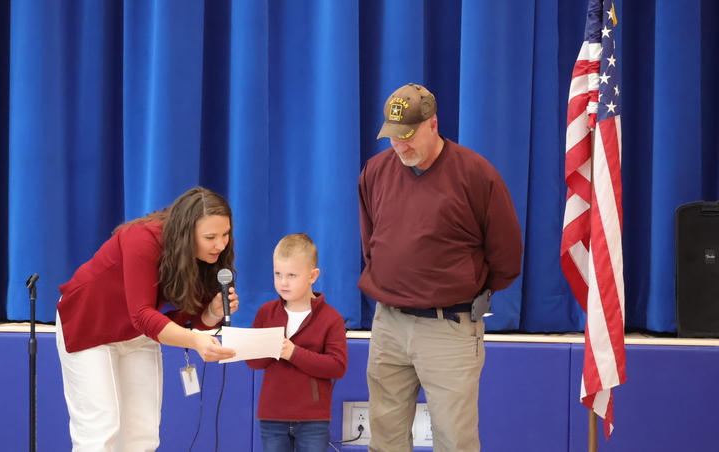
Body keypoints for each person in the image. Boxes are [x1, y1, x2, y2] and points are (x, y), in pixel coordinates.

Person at [358, 83, 523, 452]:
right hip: (389, 325)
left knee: (454, 441)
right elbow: (372, 242)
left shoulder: (477, 175)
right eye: (392, 137)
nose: (399, 146)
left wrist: (464, 288)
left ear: (433, 124)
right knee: (384, 439)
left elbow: (507, 259)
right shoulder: (376, 171)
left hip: (449, 326)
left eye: (407, 136)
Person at [55, 186, 239, 451]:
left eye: (225, 234)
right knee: (99, 430)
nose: (221, 245)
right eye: (210, 237)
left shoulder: (205, 256)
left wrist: (212, 312)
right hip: (90, 323)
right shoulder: (141, 238)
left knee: (143, 434)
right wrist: (197, 342)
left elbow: (191, 319)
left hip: (137, 333)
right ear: (186, 233)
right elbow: (142, 314)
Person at [246, 233, 348, 452]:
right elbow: (254, 363)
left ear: (313, 275)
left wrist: (293, 353)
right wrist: (253, 348)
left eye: (292, 275)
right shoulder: (266, 312)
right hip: (272, 418)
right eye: (278, 274)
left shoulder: (331, 318)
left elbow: (337, 367)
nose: (283, 282)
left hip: (313, 421)